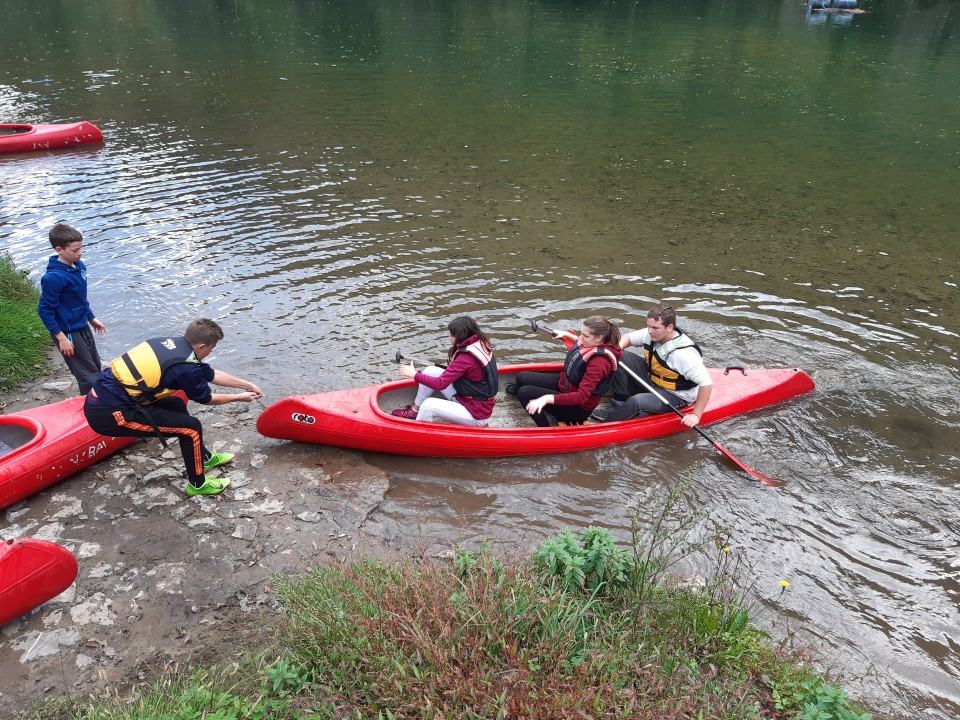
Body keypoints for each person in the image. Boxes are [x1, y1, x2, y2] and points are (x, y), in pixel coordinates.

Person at [83, 318, 264, 496]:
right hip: (110, 414)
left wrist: (246, 385)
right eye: (211, 348)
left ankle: (204, 458)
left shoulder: (171, 344)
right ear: (201, 346)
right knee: (191, 428)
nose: (211, 352)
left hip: (112, 395)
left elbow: (211, 374)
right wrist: (239, 398)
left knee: (176, 403)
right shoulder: (186, 368)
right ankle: (198, 485)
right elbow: (207, 399)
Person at [600, 303, 712, 427]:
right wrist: (617, 348)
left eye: (655, 328)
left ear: (669, 327)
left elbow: (706, 384)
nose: (650, 331)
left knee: (636, 402)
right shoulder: (651, 334)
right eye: (649, 326)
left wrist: (696, 415)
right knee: (617, 354)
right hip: (654, 379)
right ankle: (619, 403)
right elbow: (628, 338)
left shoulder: (683, 354)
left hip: (675, 395)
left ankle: (602, 426)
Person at [513, 315, 622, 427]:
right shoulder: (594, 342)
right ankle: (533, 397)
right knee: (521, 377)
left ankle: (545, 430)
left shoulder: (599, 363)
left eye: (585, 336)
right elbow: (579, 341)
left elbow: (581, 397)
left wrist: (546, 399)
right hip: (566, 385)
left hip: (577, 408)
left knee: (524, 392)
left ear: (599, 337)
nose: (581, 338)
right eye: (581, 333)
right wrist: (566, 334)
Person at [37, 223, 107, 395]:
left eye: (81, 249)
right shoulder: (54, 278)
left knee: (95, 365)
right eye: (75, 250)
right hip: (67, 331)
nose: (80, 253)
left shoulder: (79, 266)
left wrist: (91, 318)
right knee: (87, 374)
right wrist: (61, 338)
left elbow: (79, 299)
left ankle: (98, 401)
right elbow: (44, 310)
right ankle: (92, 408)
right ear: (59, 250)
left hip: (81, 324)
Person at [392, 316, 498, 426]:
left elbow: (440, 384)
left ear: (461, 337)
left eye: (452, 335)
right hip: (469, 401)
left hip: (476, 415)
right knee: (429, 371)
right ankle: (414, 411)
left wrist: (414, 375)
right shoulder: (479, 343)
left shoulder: (466, 359)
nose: (449, 338)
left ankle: (418, 433)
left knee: (428, 405)